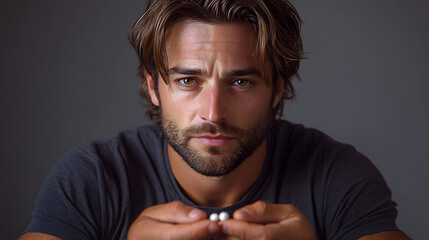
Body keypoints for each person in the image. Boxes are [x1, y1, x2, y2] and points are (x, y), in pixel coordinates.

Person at [20, 0, 410, 239]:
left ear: (277, 89)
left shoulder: (336, 176)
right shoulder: (92, 178)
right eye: (188, 80)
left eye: (241, 81)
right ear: (154, 86)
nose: (213, 112)